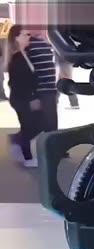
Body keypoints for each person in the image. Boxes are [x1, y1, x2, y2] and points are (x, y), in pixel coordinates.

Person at [6, 25, 45, 167]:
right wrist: (32, 98)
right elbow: (16, 83)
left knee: (38, 124)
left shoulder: (25, 54)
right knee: (28, 126)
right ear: (17, 38)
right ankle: (28, 159)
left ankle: (17, 140)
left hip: (26, 97)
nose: (29, 37)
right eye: (26, 34)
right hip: (21, 99)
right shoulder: (17, 58)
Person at [25, 29, 58, 132]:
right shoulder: (29, 43)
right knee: (48, 128)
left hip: (51, 90)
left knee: (51, 127)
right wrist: (32, 96)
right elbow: (26, 71)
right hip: (41, 91)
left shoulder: (48, 41)